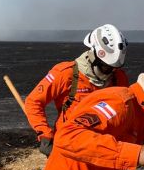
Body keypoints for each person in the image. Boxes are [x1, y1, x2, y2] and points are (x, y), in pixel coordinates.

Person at [25, 24, 130, 156]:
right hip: (69, 148)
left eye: (115, 68)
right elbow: (33, 102)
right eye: (106, 67)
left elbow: (126, 111)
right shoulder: (65, 73)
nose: (111, 72)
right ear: (93, 56)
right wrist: (45, 134)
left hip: (105, 149)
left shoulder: (119, 78)